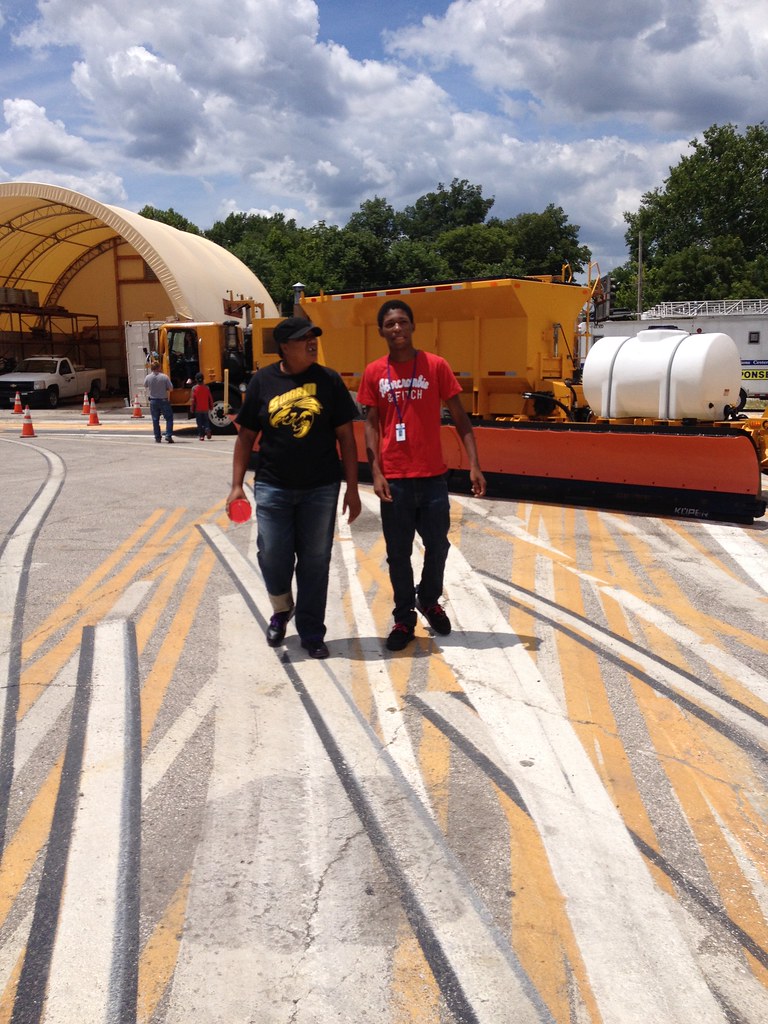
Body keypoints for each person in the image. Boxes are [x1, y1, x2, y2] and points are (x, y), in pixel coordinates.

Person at [226, 316, 361, 659]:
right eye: (304, 339)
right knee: (272, 553)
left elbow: (346, 437)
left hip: (321, 488)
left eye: (314, 337)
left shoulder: (329, 381)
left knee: (316, 561)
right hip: (273, 485)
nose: (312, 342)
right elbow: (245, 437)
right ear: (284, 346)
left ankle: (312, 631)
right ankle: (281, 608)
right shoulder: (262, 381)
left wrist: (353, 488)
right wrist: (236, 486)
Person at [357, 299, 486, 651]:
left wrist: (474, 463)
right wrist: (376, 471)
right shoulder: (373, 373)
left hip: (431, 478)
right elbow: (370, 425)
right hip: (394, 480)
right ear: (381, 331)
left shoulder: (435, 366)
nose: (396, 328)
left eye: (402, 322)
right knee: (398, 554)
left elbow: (460, 418)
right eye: (389, 324)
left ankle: (428, 600)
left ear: (412, 326)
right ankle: (403, 618)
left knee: (438, 546)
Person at [144, 360, 175, 443]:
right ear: (159, 367)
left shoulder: (148, 377)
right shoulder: (164, 377)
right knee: (169, 418)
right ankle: (168, 435)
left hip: (153, 400)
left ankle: (157, 437)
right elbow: (171, 388)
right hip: (163, 400)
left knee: (155, 419)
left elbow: (145, 385)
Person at [189, 372, 214, 440]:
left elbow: (193, 399)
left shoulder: (194, 388)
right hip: (205, 408)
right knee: (206, 421)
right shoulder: (207, 388)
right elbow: (210, 398)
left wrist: (192, 408)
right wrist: (211, 406)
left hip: (198, 409)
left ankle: (201, 436)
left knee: (199, 423)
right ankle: (207, 429)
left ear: (196, 380)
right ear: (203, 379)